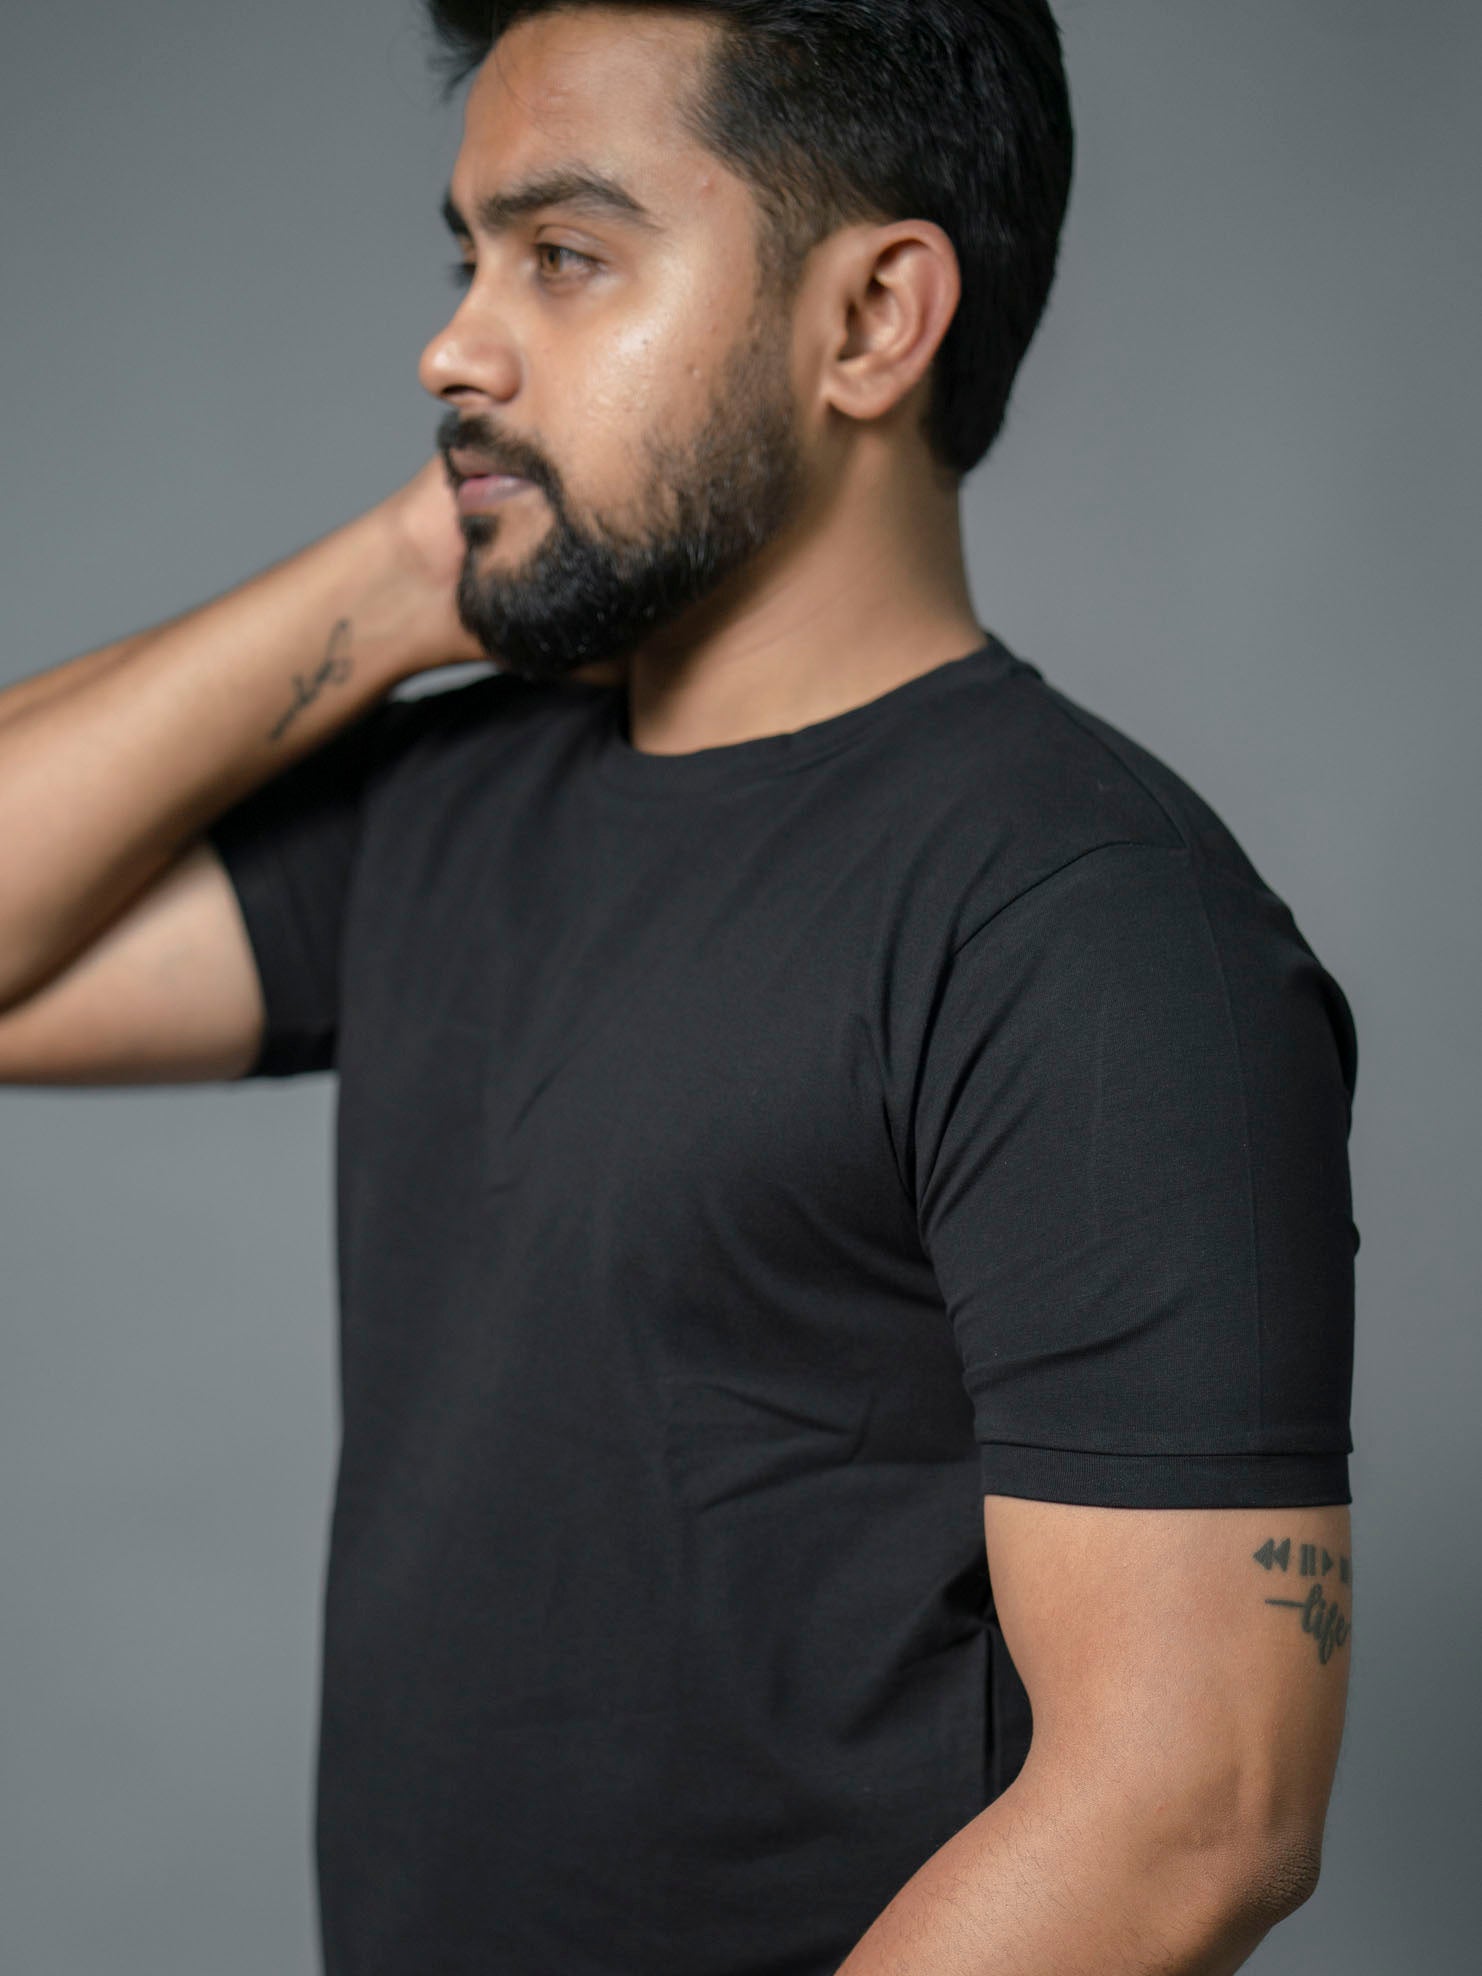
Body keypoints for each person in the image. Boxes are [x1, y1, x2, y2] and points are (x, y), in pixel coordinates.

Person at [0, 2, 1357, 1971]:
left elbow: (1191, 1808)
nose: (454, 347)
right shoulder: (448, 809)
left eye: (562, 257)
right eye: (465, 260)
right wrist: (410, 572)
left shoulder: (1090, 921)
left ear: (873, 321)